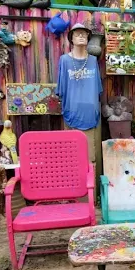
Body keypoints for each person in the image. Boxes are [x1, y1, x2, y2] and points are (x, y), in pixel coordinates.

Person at [55, 23, 103, 174]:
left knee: (91, 158)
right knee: (71, 158)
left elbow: (97, 90)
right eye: (77, 34)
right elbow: (61, 90)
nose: (81, 36)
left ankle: (92, 196)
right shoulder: (64, 60)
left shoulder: (93, 61)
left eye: (84, 33)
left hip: (91, 115)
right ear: (71, 39)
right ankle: (72, 194)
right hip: (72, 113)